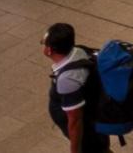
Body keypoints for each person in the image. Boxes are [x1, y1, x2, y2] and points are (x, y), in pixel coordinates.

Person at [43, 23, 111, 153]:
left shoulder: (68, 79)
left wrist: (75, 150)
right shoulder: (79, 51)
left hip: (88, 132)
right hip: (95, 122)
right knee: (102, 149)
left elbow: (75, 120)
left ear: (49, 50)